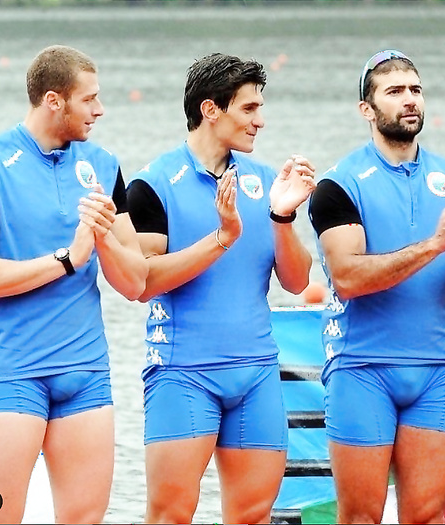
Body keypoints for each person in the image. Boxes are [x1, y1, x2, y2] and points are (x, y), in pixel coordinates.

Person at [126, 52, 316, 524]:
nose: (260, 121)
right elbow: (144, 282)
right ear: (211, 109)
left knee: (252, 515)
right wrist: (221, 238)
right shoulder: (152, 185)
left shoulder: (265, 182)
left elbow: (296, 282)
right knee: (171, 515)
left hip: (255, 374)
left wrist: (282, 217)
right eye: (249, 108)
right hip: (182, 373)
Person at [0, 45, 148, 524]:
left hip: (84, 373)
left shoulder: (103, 165)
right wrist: (67, 259)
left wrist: (104, 238)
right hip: (11, 373)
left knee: (85, 520)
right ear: (54, 100)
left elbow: (136, 283)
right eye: (88, 99)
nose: (100, 109)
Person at [309, 49, 445, 524]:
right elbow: (349, 278)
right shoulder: (338, 185)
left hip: (433, 372)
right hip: (362, 370)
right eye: (394, 92)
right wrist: (438, 241)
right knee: (360, 518)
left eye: (415, 89)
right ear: (367, 109)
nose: (409, 100)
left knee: (427, 519)